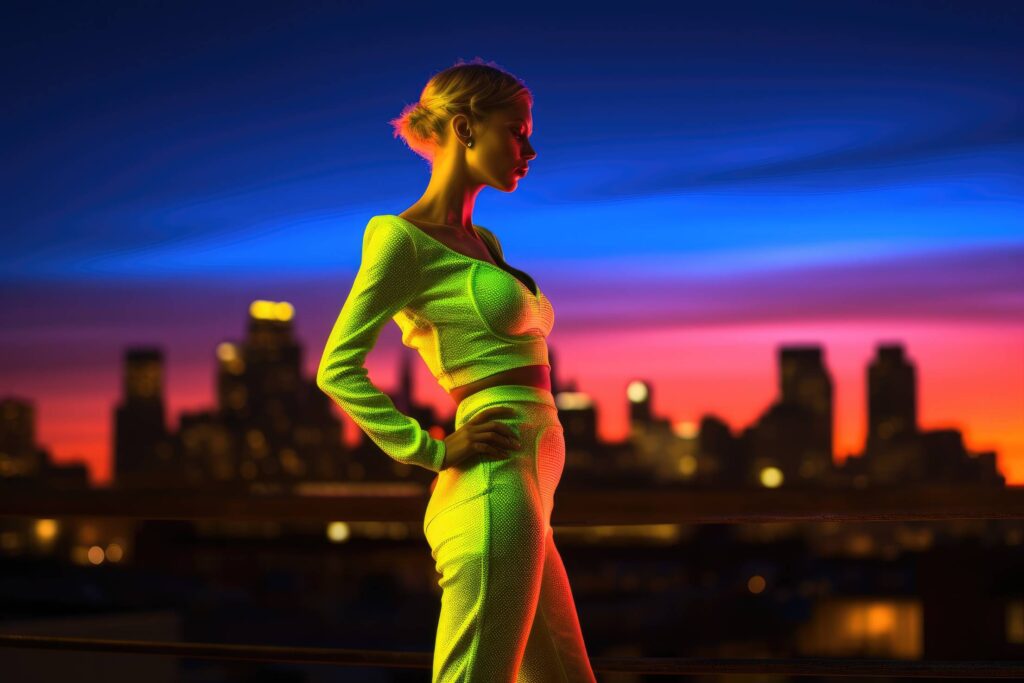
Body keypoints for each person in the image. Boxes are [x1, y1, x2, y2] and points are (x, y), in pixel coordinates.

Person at [315, 58, 597, 682]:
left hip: (529, 493)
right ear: (466, 129)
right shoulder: (400, 240)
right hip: (490, 488)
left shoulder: (486, 243)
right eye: (517, 131)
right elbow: (338, 367)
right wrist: (431, 449)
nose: (531, 147)